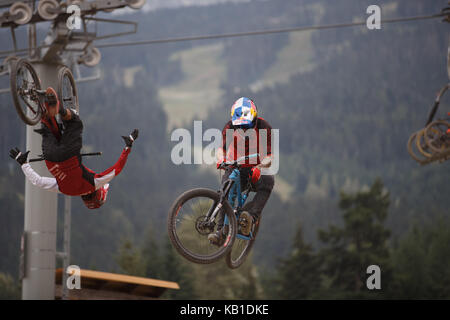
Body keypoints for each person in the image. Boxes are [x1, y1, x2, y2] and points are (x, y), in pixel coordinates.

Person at [9, 87, 138, 209]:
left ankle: (61, 111)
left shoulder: (94, 184)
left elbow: (116, 169)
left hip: (69, 154)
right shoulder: (64, 190)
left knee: (75, 122)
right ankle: (39, 104)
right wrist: (23, 163)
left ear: (98, 194)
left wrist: (128, 146)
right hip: (50, 158)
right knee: (47, 122)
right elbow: (38, 181)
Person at [208, 97, 275, 245]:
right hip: (234, 166)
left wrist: (259, 167)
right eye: (240, 126)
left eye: (247, 125)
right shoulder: (230, 126)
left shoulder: (264, 127)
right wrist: (221, 160)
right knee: (225, 193)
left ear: (254, 118)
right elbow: (221, 150)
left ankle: (250, 218)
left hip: (255, 168)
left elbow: (270, 157)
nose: (244, 129)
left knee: (269, 181)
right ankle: (220, 233)